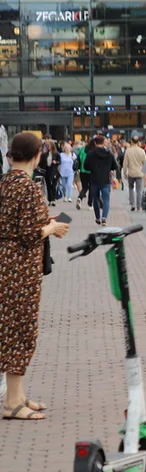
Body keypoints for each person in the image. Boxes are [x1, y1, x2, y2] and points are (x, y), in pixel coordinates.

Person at [0, 132, 70, 420]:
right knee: (21, 329)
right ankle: (13, 402)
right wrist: (52, 228)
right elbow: (29, 234)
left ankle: (18, 395)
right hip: (21, 268)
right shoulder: (28, 188)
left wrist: (46, 223)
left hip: (6, 262)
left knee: (10, 327)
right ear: (37, 156)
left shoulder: (4, 183)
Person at [84, 136, 118, 226]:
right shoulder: (109, 153)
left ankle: (98, 217)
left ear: (95, 143)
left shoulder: (91, 153)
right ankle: (104, 218)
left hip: (94, 179)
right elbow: (115, 166)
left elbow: (85, 166)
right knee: (106, 199)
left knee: (96, 199)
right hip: (105, 179)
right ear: (103, 143)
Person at [122, 139, 146, 213]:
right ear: (138, 142)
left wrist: (124, 172)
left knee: (131, 188)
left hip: (131, 172)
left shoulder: (128, 151)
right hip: (140, 172)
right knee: (139, 190)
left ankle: (132, 204)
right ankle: (139, 207)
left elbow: (125, 163)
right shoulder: (141, 151)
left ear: (132, 142)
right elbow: (145, 163)